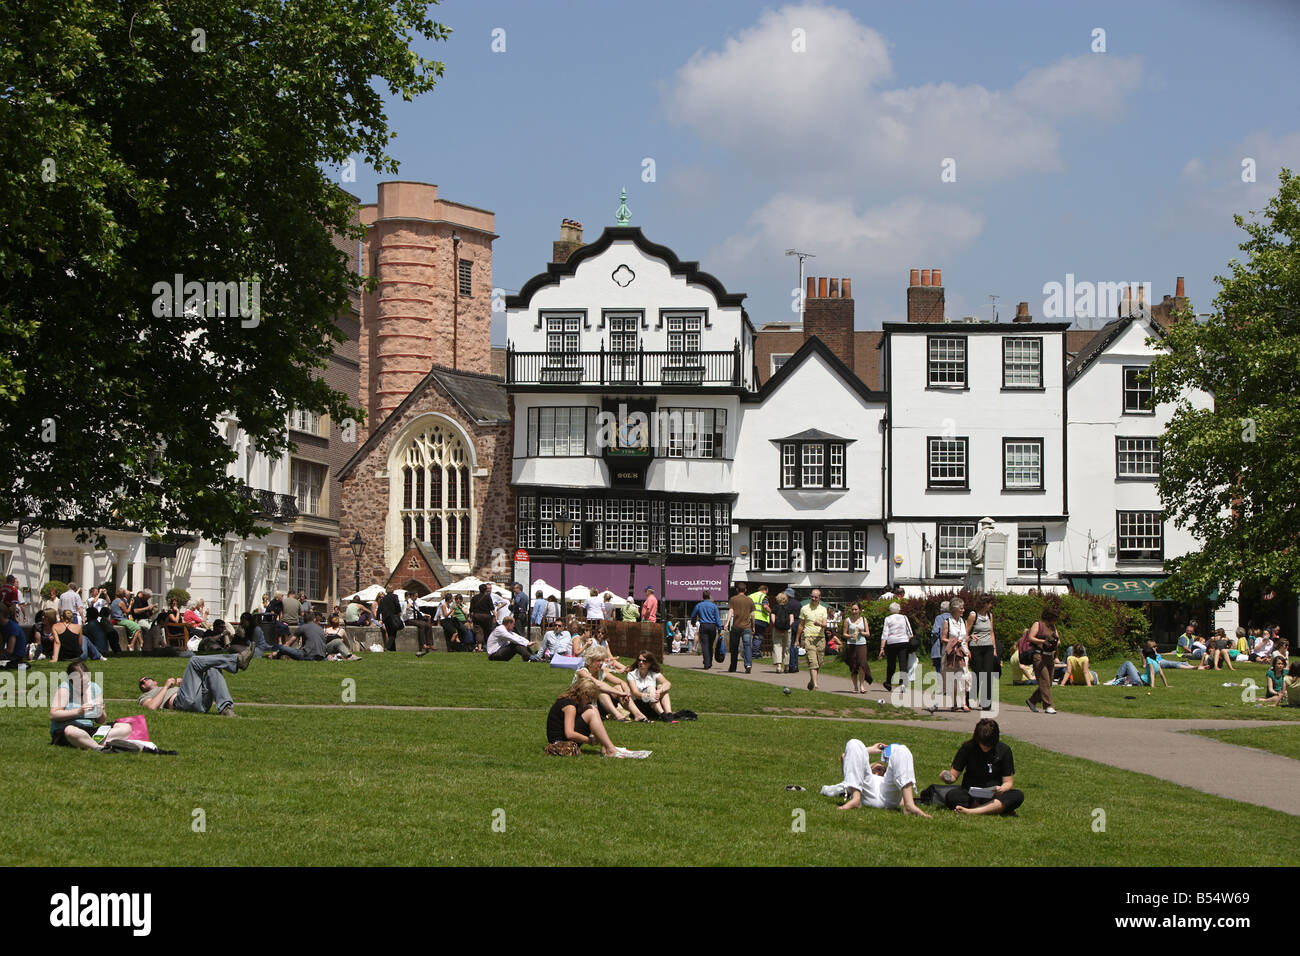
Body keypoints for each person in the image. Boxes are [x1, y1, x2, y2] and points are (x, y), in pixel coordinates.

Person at [50, 661, 163, 752]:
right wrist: (78, 712)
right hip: (66, 729)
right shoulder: (65, 688)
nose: (84, 686)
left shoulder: (94, 688)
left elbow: (100, 720)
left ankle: (88, 742)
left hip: (89, 730)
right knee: (71, 731)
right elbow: (54, 715)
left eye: (86, 682)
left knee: (126, 727)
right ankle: (99, 748)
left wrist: (101, 711)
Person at [544, 675, 649, 759]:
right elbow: (569, 733)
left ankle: (607, 747)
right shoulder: (569, 706)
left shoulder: (569, 700)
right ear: (583, 694)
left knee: (591, 709)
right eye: (589, 697)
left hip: (562, 739)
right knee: (591, 712)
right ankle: (609, 749)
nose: (589, 700)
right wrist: (590, 740)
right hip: (561, 743)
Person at [935, 718, 1025, 815]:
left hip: (993, 794)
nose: (986, 748)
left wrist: (1001, 789)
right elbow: (953, 776)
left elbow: (1008, 782)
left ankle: (972, 811)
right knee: (952, 796)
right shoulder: (967, 748)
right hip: (970, 793)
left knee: (1017, 795)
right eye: (983, 744)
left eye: (989, 745)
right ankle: (995, 809)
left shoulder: (1004, 750)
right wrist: (945, 776)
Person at [137, 644, 255, 716]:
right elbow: (151, 707)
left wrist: (184, 683)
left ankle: (226, 709)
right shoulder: (146, 696)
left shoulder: (169, 687)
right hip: (181, 703)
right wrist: (166, 686)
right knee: (194, 661)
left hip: (200, 704)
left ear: (155, 681)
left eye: (145, 679)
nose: (143, 682)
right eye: (141, 683)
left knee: (213, 669)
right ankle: (237, 660)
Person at [831, 739, 931, 817]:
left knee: (902, 749)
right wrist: (869, 750)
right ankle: (855, 800)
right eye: (876, 768)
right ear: (870, 768)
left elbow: (900, 797)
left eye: (882, 769)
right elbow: (845, 756)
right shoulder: (864, 776)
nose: (879, 770)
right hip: (866, 792)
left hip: (887, 796)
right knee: (853, 743)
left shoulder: (888, 780)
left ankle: (910, 805)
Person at [1025, 605, 1061, 714]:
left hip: (1050, 656)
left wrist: (1055, 643)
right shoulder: (1038, 624)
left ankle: (1032, 700)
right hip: (1039, 656)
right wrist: (1043, 642)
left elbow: (1058, 640)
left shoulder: (1053, 627)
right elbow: (1030, 637)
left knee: (1048, 682)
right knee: (1044, 680)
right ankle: (1048, 706)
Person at [965, 594, 999, 710]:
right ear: (984, 603)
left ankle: (986, 702)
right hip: (976, 647)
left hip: (988, 647)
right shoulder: (973, 616)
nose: (991, 605)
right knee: (978, 674)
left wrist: (994, 649)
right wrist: (967, 647)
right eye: (990, 603)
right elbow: (966, 632)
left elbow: (992, 632)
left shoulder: (990, 615)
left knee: (988, 674)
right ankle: (969, 697)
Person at [941, 597, 971, 711]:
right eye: (961, 608)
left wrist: (969, 643)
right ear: (955, 609)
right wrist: (953, 641)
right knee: (952, 679)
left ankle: (963, 703)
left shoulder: (963, 621)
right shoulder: (947, 622)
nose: (963, 610)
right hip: (951, 654)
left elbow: (965, 637)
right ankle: (954, 703)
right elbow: (943, 638)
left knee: (964, 676)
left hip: (962, 653)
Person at [625, 653, 674, 721]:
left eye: (644, 661)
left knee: (661, 687)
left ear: (650, 663)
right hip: (639, 705)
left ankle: (669, 714)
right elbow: (635, 693)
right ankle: (663, 715)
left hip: (653, 704)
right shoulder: (631, 674)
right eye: (639, 660)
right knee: (651, 688)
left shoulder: (653, 673)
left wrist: (658, 692)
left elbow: (667, 683)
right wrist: (648, 695)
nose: (641, 662)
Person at [797, 589, 829, 691]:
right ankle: (815, 685)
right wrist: (797, 639)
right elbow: (801, 625)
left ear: (820, 598)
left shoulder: (823, 609)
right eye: (812, 596)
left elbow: (825, 624)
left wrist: (819, 624)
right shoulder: (804, 608)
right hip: (809, 637)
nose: (813, 599)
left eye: (815, 597)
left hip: (820, 638)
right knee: (812, 662)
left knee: (818, 662)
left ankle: (811, 680)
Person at [878, 601, 913, 691]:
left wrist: (882, 648)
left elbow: (885, 634)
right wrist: (908, 640)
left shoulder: (888, 619)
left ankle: (888, 682)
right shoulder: (904, 617)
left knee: (891, 664)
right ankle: (903, 683)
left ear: (890, 610)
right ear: (899, 610)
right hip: (903, 641)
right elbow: (910, 632)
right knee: (903, 664)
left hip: (892, 642)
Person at [841, 602, 872, 694]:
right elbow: (844, 634)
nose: (854, 611)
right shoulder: (848, 620)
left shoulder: (863, 619)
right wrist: (850, 635)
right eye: (853, 609)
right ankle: (855, 686)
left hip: (861, 644)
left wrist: (862, 632)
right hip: (851, 645)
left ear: (860, 610)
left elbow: (868, 633)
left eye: (856, 609)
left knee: (862, 664)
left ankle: (862, 685)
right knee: (853, 666)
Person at [725, 582, 755, 673]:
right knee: (747, 646)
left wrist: (727, 623)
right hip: (747, 627)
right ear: (745, 590)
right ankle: (748, 664)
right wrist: (753, 626)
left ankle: (733, 667)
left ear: (737, 590)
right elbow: (752, 615)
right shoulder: (750, 600)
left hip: (736, 626)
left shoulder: (733, 599)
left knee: (734, 647)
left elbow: (730, 611)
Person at [691, 590, 721, 669]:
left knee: (705, 645)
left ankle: (706, 663)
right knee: (710, 645)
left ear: (703, 596)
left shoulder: (699, 605)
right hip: (712, 626)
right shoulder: (714, 606)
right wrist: (720, 628)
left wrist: (693, 623)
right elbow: (717, 618)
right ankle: (709, 661)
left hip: (703, 625)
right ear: (709, 596)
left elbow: (693, 615)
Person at [769, 591, 794, 673]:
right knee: (786, 647)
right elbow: (792, 620)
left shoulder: (775, 608)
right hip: (787, 630)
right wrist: (786, 628)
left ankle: (779, 666)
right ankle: (786, 666)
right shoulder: (789, 608)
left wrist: (778, 627)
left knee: (777, 646)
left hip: (777, 629)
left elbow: (773, 620)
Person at [748, 583, 770, 662]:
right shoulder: (763, 596)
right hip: (760, 620)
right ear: (765, 590)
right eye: (767, 591)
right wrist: (772, 612)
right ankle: (755, 653)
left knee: (750, 636)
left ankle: (748, 652)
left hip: (750, 618)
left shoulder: (750, 596)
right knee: (758, 637)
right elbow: (765, 606)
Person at [929, 601, 951, 675]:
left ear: (941, 610)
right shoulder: (954, 618)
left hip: (939, 648)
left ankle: (941, 685)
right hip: (952, 646)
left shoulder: (939, 618)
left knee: (939, 669)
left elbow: (935, 631)